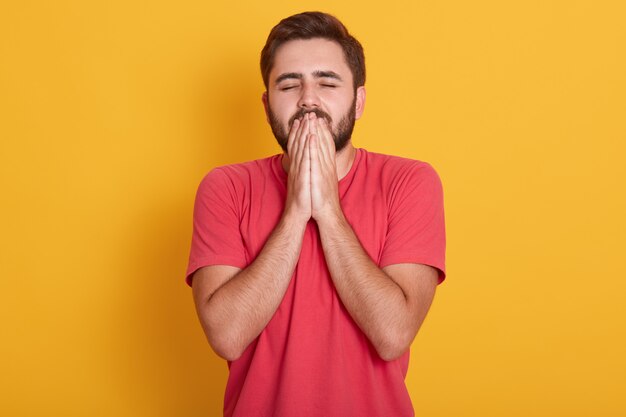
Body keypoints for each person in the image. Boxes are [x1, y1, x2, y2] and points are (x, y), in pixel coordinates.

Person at [186, 11, 446, 417]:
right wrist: (294, 212)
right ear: (267, 103)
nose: (308, 98)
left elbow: (393, 333)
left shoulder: (409, 182)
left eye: (327, 82)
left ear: (358, 101)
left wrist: (327, 209)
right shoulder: (225, 188)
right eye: (289, 84)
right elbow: (227, 335)